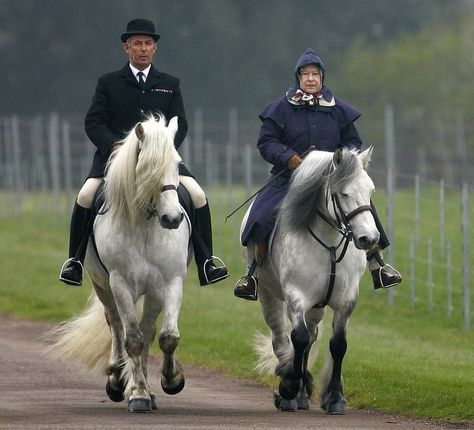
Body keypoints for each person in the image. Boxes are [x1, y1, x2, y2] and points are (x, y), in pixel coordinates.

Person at [59, 18, 228, 287]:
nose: (143, 48)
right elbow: (94, 121)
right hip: (114, 161)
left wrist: (164, 148)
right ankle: (75, 262)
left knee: (197, 195)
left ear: (155, 48)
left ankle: (206, 262)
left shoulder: (169, 83)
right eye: (137, 44)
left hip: (160, 162)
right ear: (127, 48)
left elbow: (180, 122)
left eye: (148, 44)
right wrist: (114, 146)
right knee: (85, 195)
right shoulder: (109, 82)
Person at [234, 48, 401, 300]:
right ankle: (252, 274)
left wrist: (344, 162)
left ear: (322, 78)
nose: (311, 79)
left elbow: (353, 143)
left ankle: (378, 265)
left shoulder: (338, 110)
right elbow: (266, 142)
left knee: (363, 208)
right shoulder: (280, 108)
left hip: (333, 179)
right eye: (306, 74)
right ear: (298, 77)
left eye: (315, 74)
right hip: (289, 177)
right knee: (260, 215)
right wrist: (288, 157)